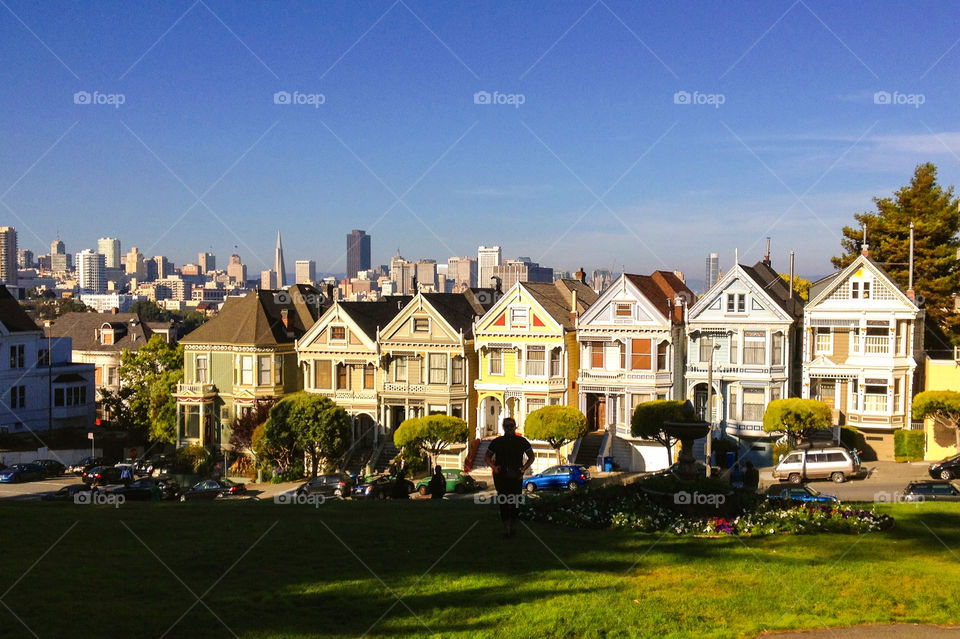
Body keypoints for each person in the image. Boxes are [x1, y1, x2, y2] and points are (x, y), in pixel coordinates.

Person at [484, 417, 534, 539]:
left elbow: (531, 456)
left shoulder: (522, 441)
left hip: (516, 476)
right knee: (504, 503)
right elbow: (487, 456)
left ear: (515, 426)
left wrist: (524, 468)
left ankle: (512, 528)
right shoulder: (497, 441)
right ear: (503, 427)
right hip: (501, 477)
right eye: (507, 426)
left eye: (511, 426)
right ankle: (507, 530)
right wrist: (494, 467)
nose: (509, 428)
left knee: (515, 502)